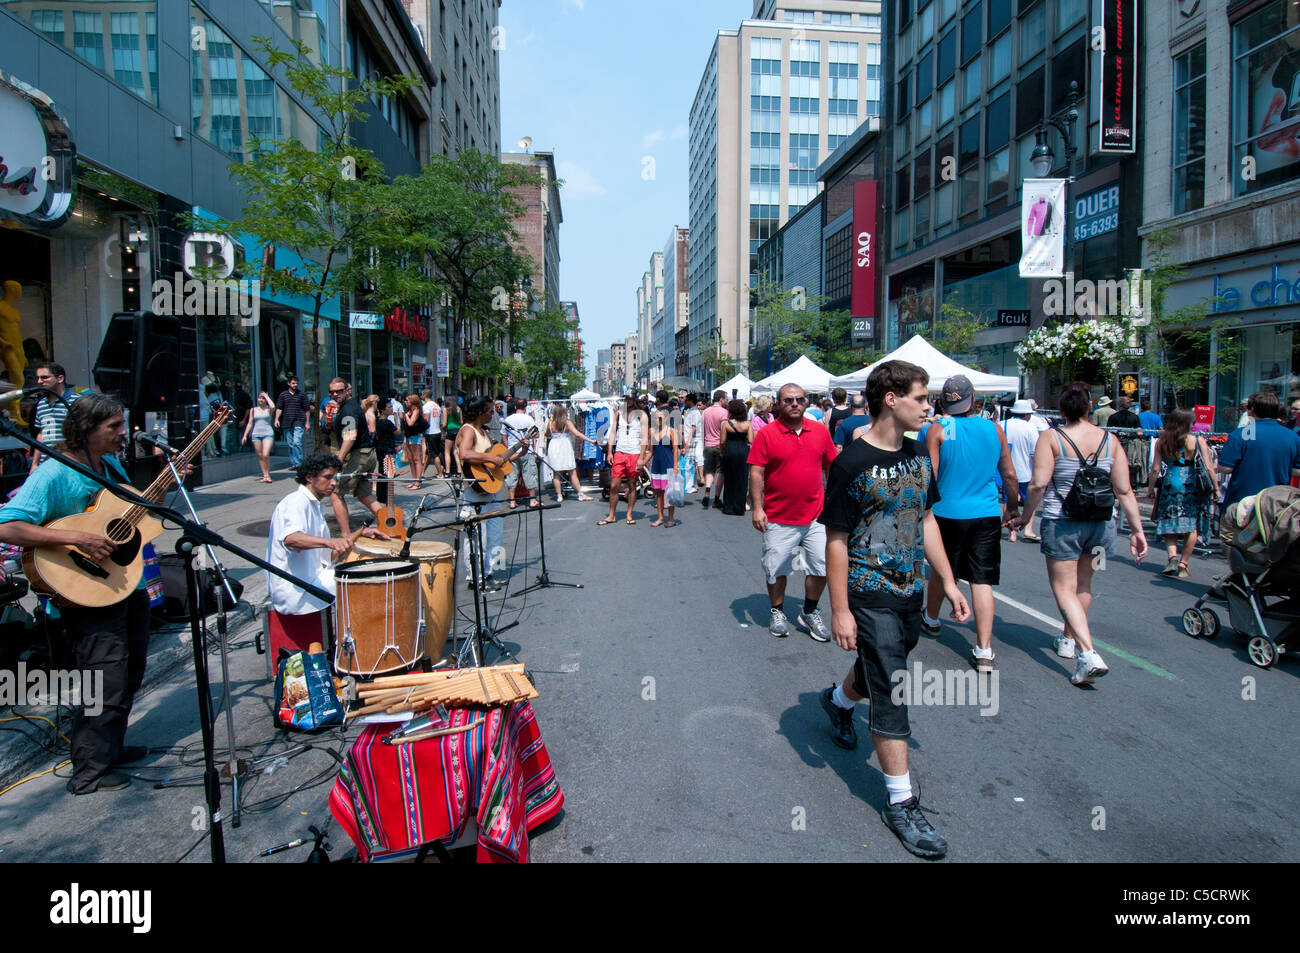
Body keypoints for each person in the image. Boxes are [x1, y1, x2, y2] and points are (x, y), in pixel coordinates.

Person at [817, 360, 971, 859]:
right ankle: (901, 802)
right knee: (891, 687)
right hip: (868, 591)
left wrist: (947, 581)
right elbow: (836, 541)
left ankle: (839, 703)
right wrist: (839, 609)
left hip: (909, 591)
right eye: (922, 397)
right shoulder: (851, 463)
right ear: (891, 398)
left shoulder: (916, 456)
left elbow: (925, 519)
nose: (930, 406)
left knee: (883, 664)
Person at [0, 395, 156, 794]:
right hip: (81, 589)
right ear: (86, 430)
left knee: (130, 671)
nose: (124, 433)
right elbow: (7, 526)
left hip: (122, 582)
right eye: (114, 427)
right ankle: (90, 772)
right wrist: (77, 538)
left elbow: (124, 513)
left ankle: (110, 749)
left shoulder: (109, 465)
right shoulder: (54, 473)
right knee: (106, 679)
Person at [1013, 382, 1148, 686]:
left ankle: (1087, 653)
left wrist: (1025, 517)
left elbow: (1037, 484)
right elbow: (1124, 490)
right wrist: (1138, 530)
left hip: (1062, 522)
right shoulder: (1110, 440)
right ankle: (1067, 638)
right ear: (1090, 408)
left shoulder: (1052, 437)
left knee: (1063, 588)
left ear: (1060, 410)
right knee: (1084, 584)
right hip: (1101, 524)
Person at [921, 375, 1018, 673]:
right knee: (982, 580)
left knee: (943, 569)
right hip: (986, 512)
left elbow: (930, 476)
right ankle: (984, 649)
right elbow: (1009, 474)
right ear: (972, 399)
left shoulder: (937, 428)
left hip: (947, 512)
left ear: (943, 402)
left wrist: (920, 514)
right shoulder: (994, 428)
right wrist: (1012, 508)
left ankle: (932, 618)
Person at [265, 453, 387, 661]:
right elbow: (291, 539)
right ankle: (359, 654)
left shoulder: (313, 504)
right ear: (310, 478)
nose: (333, 483)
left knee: (368, 574)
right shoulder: (295, 502)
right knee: (363, 588)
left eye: (335, 478)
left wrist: (358, 535)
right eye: (327, 477)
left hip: (312, 578)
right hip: (296, 587)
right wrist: (330, 541)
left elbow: (328, 556)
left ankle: (360, 650)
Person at [749, 383, 836, 641]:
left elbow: (831, 464)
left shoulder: (820, 431)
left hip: (816, 515)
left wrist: (832, 498)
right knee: (776, 568)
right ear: (779, 404)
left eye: (799, 399)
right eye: (788, 400)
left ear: (807, 401)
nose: (794, 404)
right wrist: (757, 507)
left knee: (822, 567)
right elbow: (756, 471)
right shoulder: (766, 434)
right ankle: (777, 611)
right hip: (778, 516)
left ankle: (809, 611)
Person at [457, 397, 525, 591]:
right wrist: (490, 458)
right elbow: (465, 454)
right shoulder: (468, 430)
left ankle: (489, 572)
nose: (492, 414)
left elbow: (500, 459)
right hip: (474, 492)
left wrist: (520, 452)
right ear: (480, 412)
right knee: (477, 537)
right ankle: (475, 578)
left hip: (491, 491)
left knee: (495, 536)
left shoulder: (485, 432)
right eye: (489, 411)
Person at [1148, 408, 1217, 579]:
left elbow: (1156, 468)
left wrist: (1150, 488)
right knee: (1191, 526)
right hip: (1191, 485)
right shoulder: (1198, 440)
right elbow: (1208, 466)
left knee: (1169, 521)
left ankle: (1172, 557)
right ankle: (1183, 563)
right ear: (1189, 423)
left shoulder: (1162, 441)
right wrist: (1216, 487)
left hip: (1170, 484)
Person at [1216, 390, 1300, 508]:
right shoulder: (1293, 437)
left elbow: (1225, 468)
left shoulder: (1240, 434)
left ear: (1252, 411)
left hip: (1242, 504)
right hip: (1276, 504)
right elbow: (1297, 470)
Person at [326, 379, 384, 535]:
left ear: (347, 390)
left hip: (359, 455)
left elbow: (350, 435)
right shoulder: (346, 407)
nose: (335, 394)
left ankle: (345, 534)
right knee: (364, 495)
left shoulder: (349, 409)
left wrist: (339, 458)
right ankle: (391, 525)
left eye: (339, 391)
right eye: (332, 392)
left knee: (336, 493)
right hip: (366, 454)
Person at [600, 395, 649, 525]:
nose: (627, 404)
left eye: (629, 401)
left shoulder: (641, 416)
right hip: (620, 452)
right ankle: (611, 515)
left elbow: (644, 437)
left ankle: (629, 514)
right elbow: (612, 433)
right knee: (614, 485)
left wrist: (641, 457)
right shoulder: (618, 413)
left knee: (632, 485)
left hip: (634, 453)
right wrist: (610, 451)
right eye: (625, 401)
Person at [29, 362, 81, 472]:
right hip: (46, 464)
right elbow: (41, 434)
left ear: (60, 378)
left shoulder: (77, 401)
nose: (39, 381)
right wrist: (35, 464)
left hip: (70, 463)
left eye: (44, 377)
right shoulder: (41, 404)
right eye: (37, 378)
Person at [1003, 399, 1042, 543]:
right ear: (1026, 414)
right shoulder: (1030, 428)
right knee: (1030, 501)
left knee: (1009, 501)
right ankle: (1028, 529)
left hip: (1007, 471)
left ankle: (1011, 532)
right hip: (1026, 471)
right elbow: (1034, 453)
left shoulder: (1003, 424)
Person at [544, 403, 596, 502]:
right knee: (572, 472)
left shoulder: (550, 423)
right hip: (564, 446)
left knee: (556, 473)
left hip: (554, 446)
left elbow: (547, 435)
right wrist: (591, 441)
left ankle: (559, 495)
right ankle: (580, 494)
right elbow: (577, 434)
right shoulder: (567, 423)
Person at [501, 398, 539, 509]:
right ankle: (532, 500)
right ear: (526, 407)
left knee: (512, 476)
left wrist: (509, 446)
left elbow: (503, 436)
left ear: (515, 407)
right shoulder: (529, 419)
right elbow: (536, 435)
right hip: (527, 450)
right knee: (530, 474)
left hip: (512, 452)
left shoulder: (508, 419)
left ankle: (512, 501)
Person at [649, 400, 681, 526]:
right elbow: (651, 452)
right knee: (658, 493)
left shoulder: (672, 431)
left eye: (660, 418)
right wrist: (641, 463)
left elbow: (675, 450)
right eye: (656, 418)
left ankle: (671, 519)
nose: (657, 421)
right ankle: (660, 517)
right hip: (657, 465)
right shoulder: (653, 432)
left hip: (668, 465)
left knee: (670, 493)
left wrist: (675, 466)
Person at [720, 399, 753, 516]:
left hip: (730, 450)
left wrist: (722, 451)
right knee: (742, 478)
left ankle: (728, 506)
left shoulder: (726, 424)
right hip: (743, 451)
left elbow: (722, 441)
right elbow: (750, 440)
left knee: (729, 479)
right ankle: (739, 507)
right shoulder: (748, 424)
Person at [274, 375, 312, 469]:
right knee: (290, 444)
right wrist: (276, 419)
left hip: (299, 421)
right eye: (293, 383)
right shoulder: (283, 395)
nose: (295, 385)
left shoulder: (302, 395)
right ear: (289, 383)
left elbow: (307, 409)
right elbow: (279, 408)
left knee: (297, 442)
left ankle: (299, 463)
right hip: (286, 422)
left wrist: (307, 422)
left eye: (296, 383)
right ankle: (294, 463)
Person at [700, 390, 729, 508]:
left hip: (707, 444)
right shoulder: (724, 412)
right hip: (719, 444)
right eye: (726, 399)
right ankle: (716, 498)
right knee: (720, 472)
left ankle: (707, 491)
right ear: (721, 399)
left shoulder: (705, 411)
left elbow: (703, 428)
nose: (726, 401)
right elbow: (724, 429)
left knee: (709, 470)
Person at [241, 391, 276, 483]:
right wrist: (245, 435)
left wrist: (266, 396)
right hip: (256, 434)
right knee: (260, 455)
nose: (261, 400)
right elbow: (250, 423)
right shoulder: (253, 410)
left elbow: (273, 406)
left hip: (267, 433)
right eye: (260, 398)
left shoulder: (269, 409)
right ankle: (265, 475)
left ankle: (268, 474)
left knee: (265, 454)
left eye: (263, 398)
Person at [402, 394, 427, 489]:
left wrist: (406, 416)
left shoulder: (416, 410)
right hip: (409, 436)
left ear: (412, 402)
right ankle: (413, 480)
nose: (405, 402)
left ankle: (417, 482)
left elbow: (411, 423)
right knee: (411, 459)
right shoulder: (409, 411)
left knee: (417, 459)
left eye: (407, 400)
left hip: (415, 436)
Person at [682, 393, 704, 493]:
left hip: (692, 441)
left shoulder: (695, 412)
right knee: (691, 462)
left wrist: (688, 442)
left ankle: (694, 484)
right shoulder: (691, 411)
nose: (684, 402)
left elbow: (693, 428)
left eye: (686, 400)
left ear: (690, 401)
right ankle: (693, 484)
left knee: (691, 462)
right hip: (690, 440)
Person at [423, 392, 444, 479]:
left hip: (430, 432)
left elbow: (426, 420)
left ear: (424, 395)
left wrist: (422, 430)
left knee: (434, 454)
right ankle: (422, 472)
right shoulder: (436, 405)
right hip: (437, 431)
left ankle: (440, 473)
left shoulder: (426, 406)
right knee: (429, 453)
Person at [443, 402, 462, 476]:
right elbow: (461, 421)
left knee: (447, 452)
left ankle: (447, 471)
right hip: (457, 430)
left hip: (450, 430)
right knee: (455, 451)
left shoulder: (446, 409)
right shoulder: (458, 408)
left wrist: (441, 429)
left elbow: (444, 423)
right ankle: (459, 470)